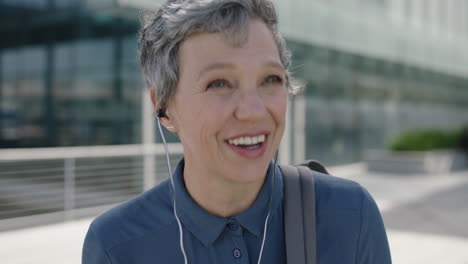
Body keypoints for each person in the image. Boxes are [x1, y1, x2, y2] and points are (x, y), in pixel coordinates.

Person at [82, 0, 392, 263]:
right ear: (163, 105)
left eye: (270, 79)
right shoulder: (115, 246)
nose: (253, 111)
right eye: (219, 83)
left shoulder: (352, 216)